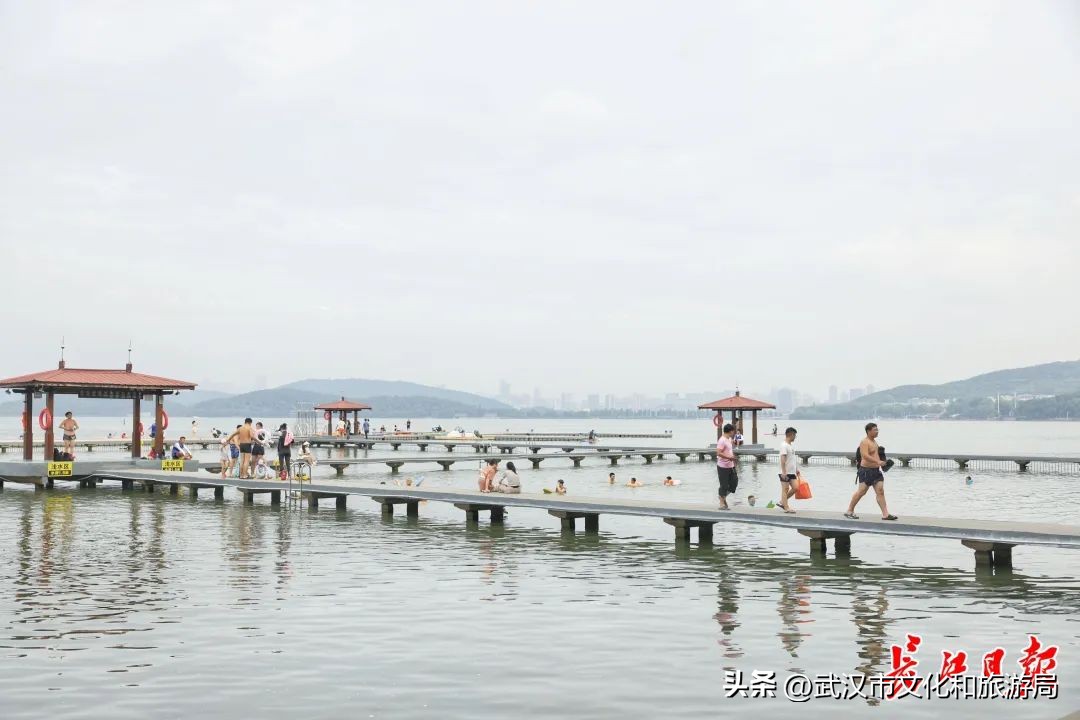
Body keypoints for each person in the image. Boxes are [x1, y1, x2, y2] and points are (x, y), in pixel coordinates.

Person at [845, 422, 897, 521]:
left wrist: (883, 462)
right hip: (866, 471)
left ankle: (885, 514)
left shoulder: (874, 442)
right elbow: (865, 456)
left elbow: (876, 455)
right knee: (861, 492)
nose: (877, 432)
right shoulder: (864, 442)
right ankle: (849, 511)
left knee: (880, 491)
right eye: (875, 430)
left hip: (876, 471)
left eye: (877, 430)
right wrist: (878, 461)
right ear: (869, 431)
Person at [777, 427, 800, 513]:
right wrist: (784, 472)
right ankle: (786, 507)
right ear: (791, 434)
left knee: (796, 488)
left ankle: (782, 502)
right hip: (785, 472)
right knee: (785, 489)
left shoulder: (790, 446)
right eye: (795, 435)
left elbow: (792, 459)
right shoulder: (784, 445)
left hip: (792, 471)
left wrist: (797, 469)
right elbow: (783, 459)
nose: (795, 437)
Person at [716, 423, 738, 510]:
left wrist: (732, 459)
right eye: (733, 431)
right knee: (724, 485)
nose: (734, 433)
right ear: (731, 431)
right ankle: (722, 503)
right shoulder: (722, 440)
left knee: (734, 483)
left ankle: (722, 496)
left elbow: (729, 451)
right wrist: (729, 457)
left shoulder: (729, 439)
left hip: (731, 466)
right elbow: (718, 453)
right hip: (722, 467)